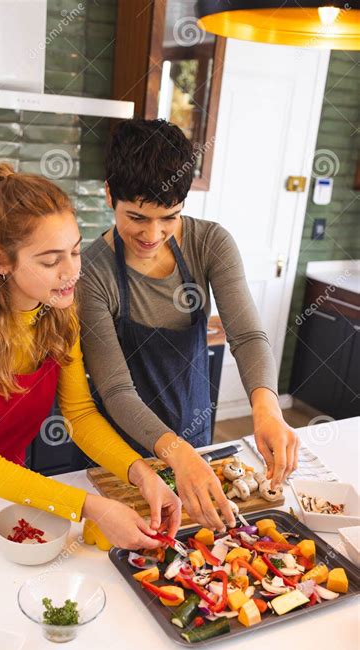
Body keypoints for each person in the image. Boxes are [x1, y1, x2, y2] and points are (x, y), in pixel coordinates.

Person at [0, 162, 181, 550]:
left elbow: (80, 416)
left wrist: (143, 475)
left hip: (7, 500)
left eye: (75, 252)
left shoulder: (60, 316)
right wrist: (94, 508)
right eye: (49, 260)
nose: (71, 271)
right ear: (0, 261)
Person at [79, 118, 299, 532]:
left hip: (197, 440)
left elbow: (248, 336)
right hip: (123, 460)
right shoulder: (92, 273)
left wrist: (267, 408)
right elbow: (115, 390)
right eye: (137, 218)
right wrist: (174, 454)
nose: (153, 234)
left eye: (170, 218)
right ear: (110, 194)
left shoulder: (210, 243)